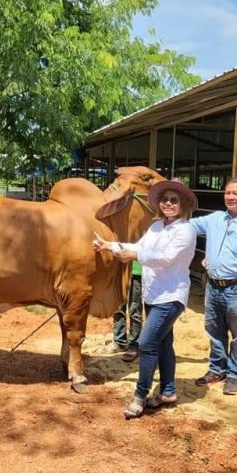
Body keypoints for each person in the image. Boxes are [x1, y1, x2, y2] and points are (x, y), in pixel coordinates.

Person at [93, 179, 197, 419]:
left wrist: (135, 254)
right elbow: (137, 246)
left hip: (171, 296)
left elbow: (166, 257)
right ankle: (168, 390)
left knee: (146, 343)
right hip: (153, 294)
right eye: (164, 200)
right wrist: (109, 245)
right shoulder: (156, 227)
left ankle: (140, 395)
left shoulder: (185, 230)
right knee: (162, 343)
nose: (168, 204)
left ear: (183, 205)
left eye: (174, 200)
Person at [190, 177, 237, 396]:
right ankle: (216, 369)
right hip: (212, 285)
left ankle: (234, 375)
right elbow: (189, 226)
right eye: (228, 192)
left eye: (236, 193)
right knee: (214, 330)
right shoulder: (214, 219)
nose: (230, 197)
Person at [101, 260, 143, 362]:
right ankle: (119, 341)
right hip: (119, 270)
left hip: (137, 271)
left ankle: (134, 345)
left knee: (135, 309)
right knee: (118, 307)